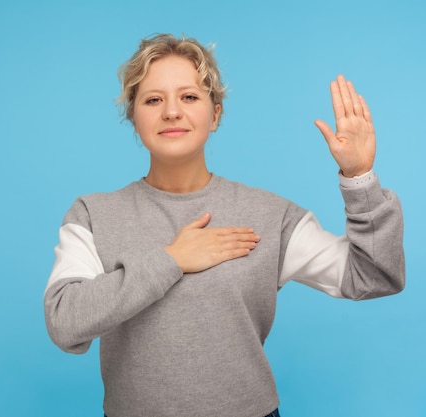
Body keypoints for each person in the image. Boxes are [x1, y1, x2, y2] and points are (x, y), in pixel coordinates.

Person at [43, 33, 405, 417]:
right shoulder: (94, 215)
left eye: (189, 97)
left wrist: (360, 177)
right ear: (133, 117)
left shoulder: (269, 215)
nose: (171, 112)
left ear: (215, 114)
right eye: (153, 99)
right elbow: (65, 323)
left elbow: (374, 276)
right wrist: (172, 260)